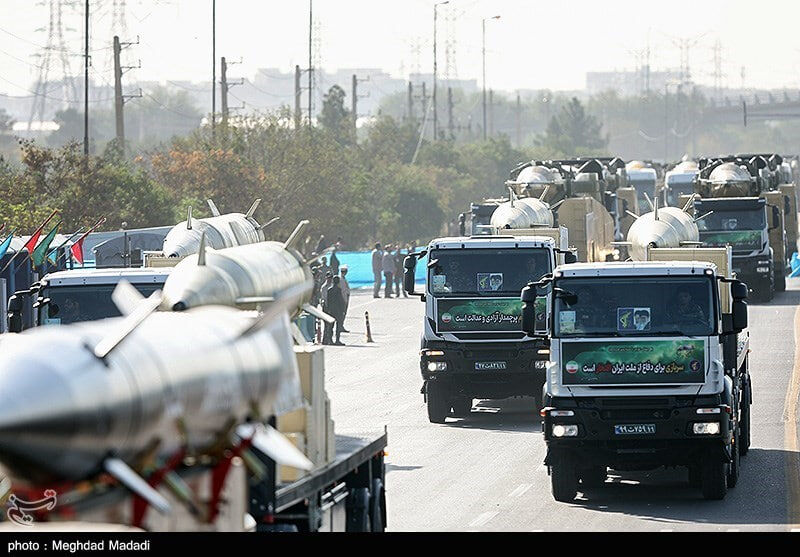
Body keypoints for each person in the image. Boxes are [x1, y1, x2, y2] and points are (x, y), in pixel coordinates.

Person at [326, 276, 347, 345]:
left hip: (331, 310)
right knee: (338, 326)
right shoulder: (338, 290)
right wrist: (343, 309)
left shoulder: (329, 290)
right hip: (338, 310)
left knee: (330, 326)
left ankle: (330, 340)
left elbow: (328, 301)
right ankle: (337, 340)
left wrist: (328, 309)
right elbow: (340, 300)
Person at [340, 265, 351, 332]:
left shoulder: (343, 279)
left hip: (345, 297)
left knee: (344, 313)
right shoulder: (341, 279)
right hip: (343, 298)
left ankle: (341, 325)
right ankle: (340, 326)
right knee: (342, 313)